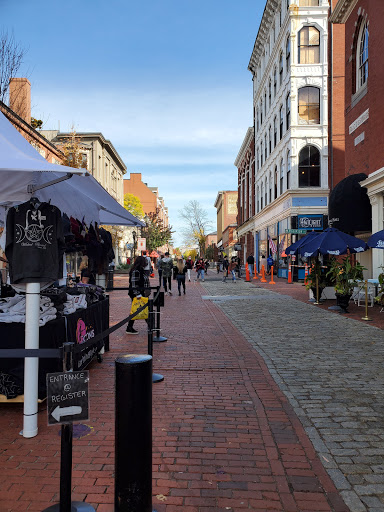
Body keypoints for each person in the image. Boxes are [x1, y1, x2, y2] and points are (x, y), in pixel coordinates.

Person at [126, 255, 150, 334]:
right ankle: (151, 326)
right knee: (138, 309)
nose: (146, 263)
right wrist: (137, 294)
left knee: (138, 309)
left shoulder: (141, 270)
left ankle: (130, 327)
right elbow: (134, 283)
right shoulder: (136, 271)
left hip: (141, 292)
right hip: (136, 294)